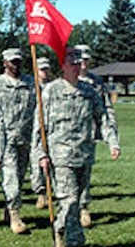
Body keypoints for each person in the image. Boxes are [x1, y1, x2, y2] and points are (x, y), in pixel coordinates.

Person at [31, 48, 121, 247]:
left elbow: (103, 118)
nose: (78, 67)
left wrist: (112, 141)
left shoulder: (89, 91)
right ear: (63, 66)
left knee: (75, 202)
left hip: (84, 155)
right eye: (72, 63)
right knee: (70, 200)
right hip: (60, 158)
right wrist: (40, 155)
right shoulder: (51, 91)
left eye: (79, 63)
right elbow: (40, 128)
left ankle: (60, 227)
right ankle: (75, 241)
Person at [0, 48, 36, 234]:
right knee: (11, 180)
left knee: (19, 177)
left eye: (17, 61)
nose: (15, 64)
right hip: (4, 140)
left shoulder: (30, 83)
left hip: (25, 139)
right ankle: (15, 216)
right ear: (4, 63)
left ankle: (8, 208)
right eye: (11, 61)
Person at [76, 44, 118, 228]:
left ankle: (83, 208)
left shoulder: (97, 83)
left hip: (88, 136)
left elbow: (106, 111)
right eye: (80, 59)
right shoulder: (65, 81)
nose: (84, 63)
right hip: (64, 139)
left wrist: (112, 139)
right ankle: (68, 208)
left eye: (86, 59)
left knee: (85, 174)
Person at [30, 56, 51, 209]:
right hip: (32, 129)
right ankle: (40, 193)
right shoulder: (31, 86)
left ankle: (50, 190)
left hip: (49, 130)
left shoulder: (52, 87)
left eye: (46, 69)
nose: (44, 72)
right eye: (41, 69)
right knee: (36, 163)